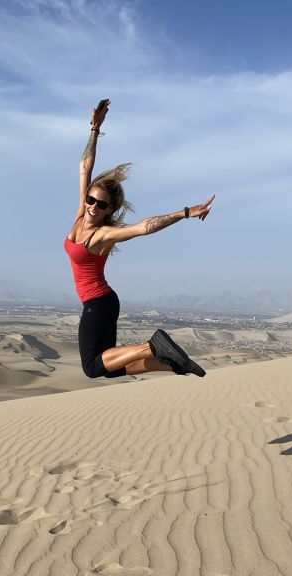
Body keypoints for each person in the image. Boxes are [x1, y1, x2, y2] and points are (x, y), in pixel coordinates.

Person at [65, 98, 214, 379]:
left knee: (92, 367)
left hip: (98, 303)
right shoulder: (79, 216)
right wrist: (95, 130)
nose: (93, 207)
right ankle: (172, 364)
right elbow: (85, 167)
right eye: (91, 200)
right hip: (103, 302)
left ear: (110, 210)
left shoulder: (102, 235)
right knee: (109, 368)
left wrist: (184, 213)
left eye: (101, 205)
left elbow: (144, 227)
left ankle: (152, 346)